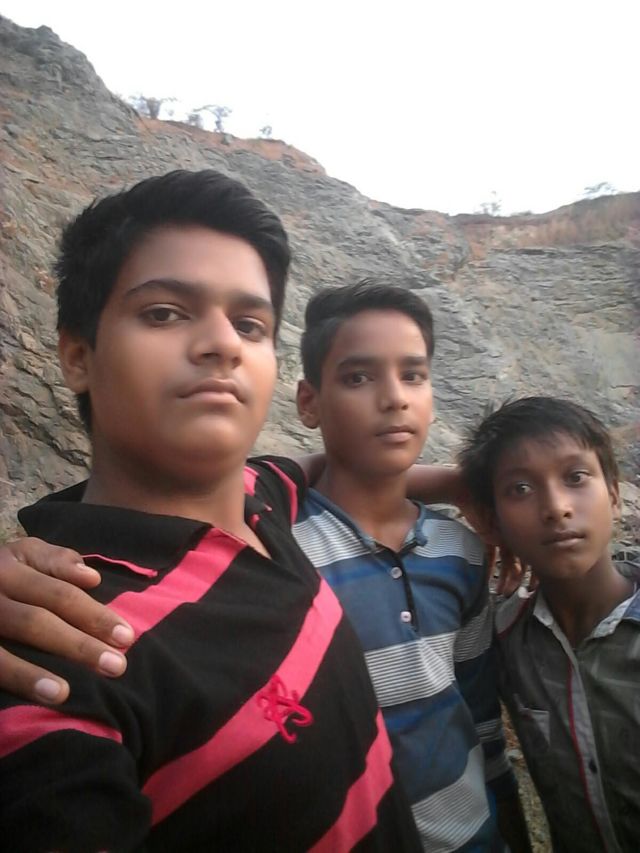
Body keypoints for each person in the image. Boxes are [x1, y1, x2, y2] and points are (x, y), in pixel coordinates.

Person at [0, 170, 422, 852]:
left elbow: (322, 464)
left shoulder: (262, 501)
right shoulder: (64, 643)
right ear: (77, 356)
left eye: (250, 324)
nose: (224, 342)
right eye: (165, 312)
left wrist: (471, 483)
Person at [293, 281, 528, 852]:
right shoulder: (280, 547)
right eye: (358, 377)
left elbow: (480, 721)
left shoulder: (461, 552)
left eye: (413, 375)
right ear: (309, 402)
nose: (395, 398)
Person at [458, 396, 639, 853]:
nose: (556, 507)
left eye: (576, 477)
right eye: (520, 489)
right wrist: (455, 489)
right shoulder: (504, 640)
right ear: (492, 522)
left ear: (614, 493)